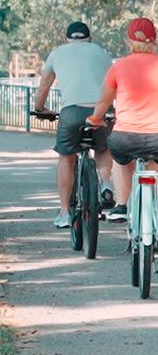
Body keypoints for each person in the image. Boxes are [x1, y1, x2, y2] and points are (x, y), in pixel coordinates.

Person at [86, 17, 158, 278]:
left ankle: (122, 204)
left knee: (121, 158)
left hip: (126, 137)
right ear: (154, 40)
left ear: (129, 40)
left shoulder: (119, 66)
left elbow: (103, 102)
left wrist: (96, 119)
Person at [33, 21, 115, 228]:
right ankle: (106, 185)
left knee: (66, 158)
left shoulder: (57, 54)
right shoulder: (101, 53)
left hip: (72, 112)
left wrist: (40, 108)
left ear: (66, 38)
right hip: (101, 111)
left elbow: (43, 87)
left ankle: (64, 212)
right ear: (90, 37)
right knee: (103, 148)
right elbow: (115, 83)